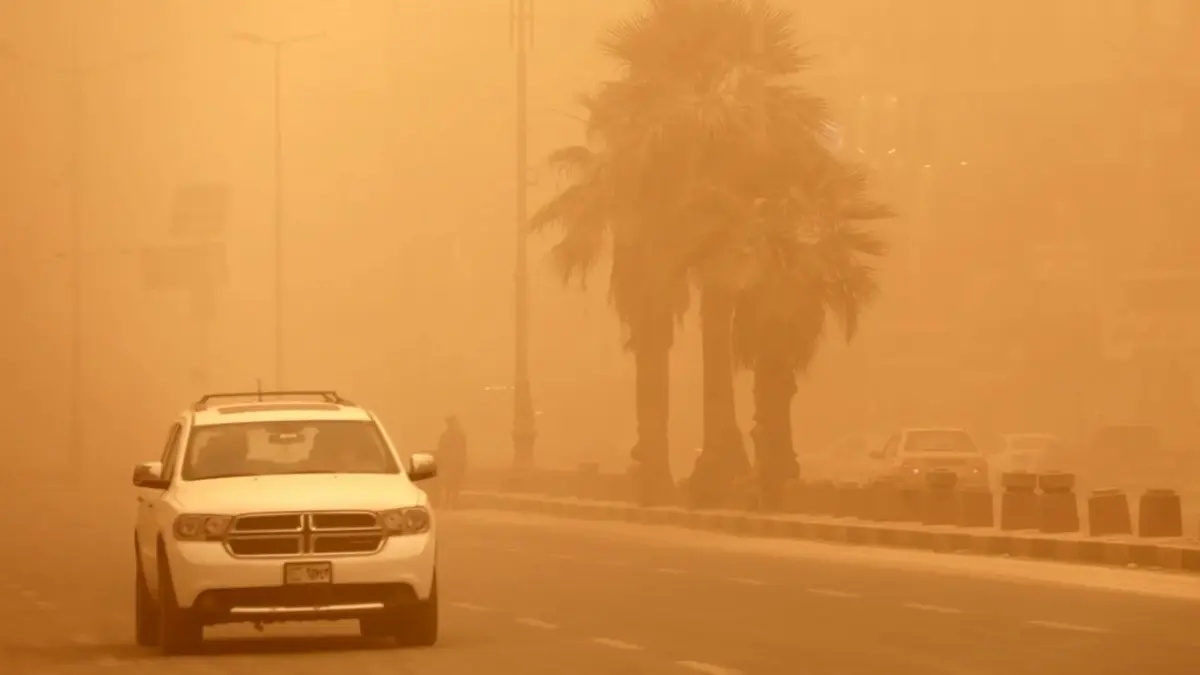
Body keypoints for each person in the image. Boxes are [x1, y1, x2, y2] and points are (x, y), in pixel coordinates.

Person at [436, 415, 468, 508]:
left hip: (456, 463)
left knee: (455, 483)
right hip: (448, 463)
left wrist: (463, 462)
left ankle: (453, 502)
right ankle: (448, 501)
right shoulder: (445, 435)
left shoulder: (460, 435)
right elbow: (441, 449)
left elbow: (463, 450)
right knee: (448, 484)